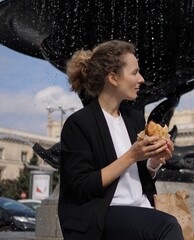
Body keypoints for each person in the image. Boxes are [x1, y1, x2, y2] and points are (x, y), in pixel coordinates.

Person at [58, 40, 183, 240]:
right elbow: (81, 186)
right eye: (134, 73)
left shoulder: (133, 118)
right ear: (113, 78)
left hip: (139, 208)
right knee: (167, 227)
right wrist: (132, 155)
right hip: (101, 213)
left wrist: (153, 162)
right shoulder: (79, 124)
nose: (141, 79)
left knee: (170, 224)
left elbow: (138, 178)